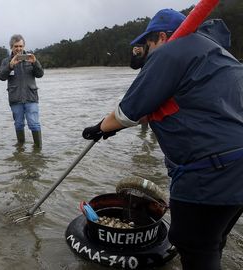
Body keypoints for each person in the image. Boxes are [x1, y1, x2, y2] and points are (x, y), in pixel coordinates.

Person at [82, 9, 243, 270]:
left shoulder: (171, 52)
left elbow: (127, 110)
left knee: (194, 246)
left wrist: (100, 127)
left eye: (147, 44)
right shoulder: (214, 53)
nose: (146, 50)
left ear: (161, 37)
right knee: (213, 240)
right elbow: (177, 105)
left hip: (208, 174)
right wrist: (117, 126)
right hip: (236, 169)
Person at [0, 34, 44, 148]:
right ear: (11, 47)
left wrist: (35, 62)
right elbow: (1, 77)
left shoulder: (31, 58)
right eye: (16, 46)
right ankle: (20, 148)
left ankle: (38, 150)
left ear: (24, 46)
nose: (18, 48)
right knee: (18, 124)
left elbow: (40, 74)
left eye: (20, 46)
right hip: (15, 98)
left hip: (31, 97)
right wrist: (10, 65)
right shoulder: (6, 61)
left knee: (34, 123)